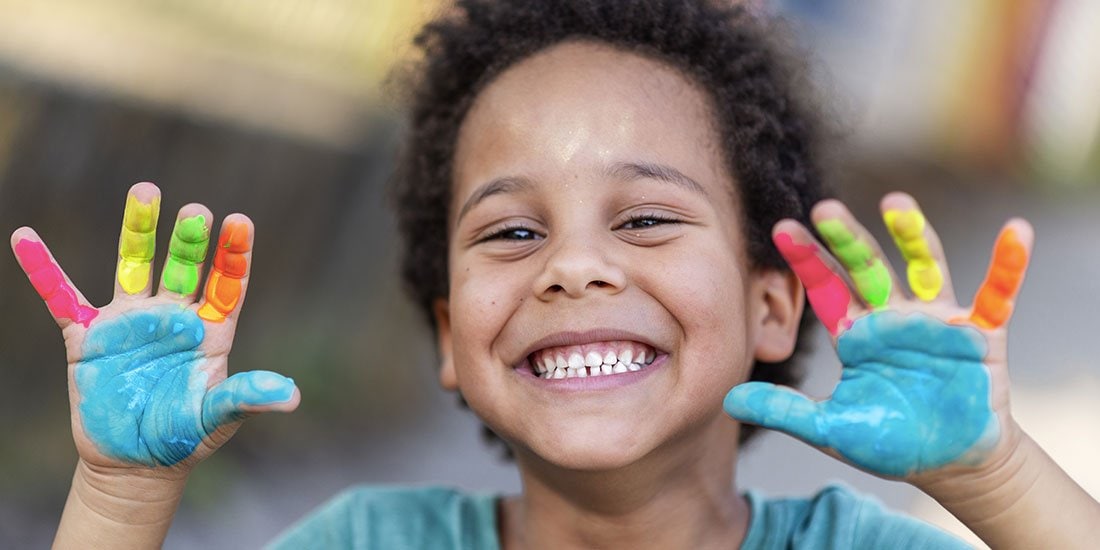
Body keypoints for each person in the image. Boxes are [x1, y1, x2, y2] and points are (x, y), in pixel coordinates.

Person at [9, 0, 1099, 548]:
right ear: (447, 334)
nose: (574, 265)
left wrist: (991, 474)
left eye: (643, 216)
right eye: (510, 233)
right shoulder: (366, 541)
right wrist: (121, 491)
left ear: (772, 305)